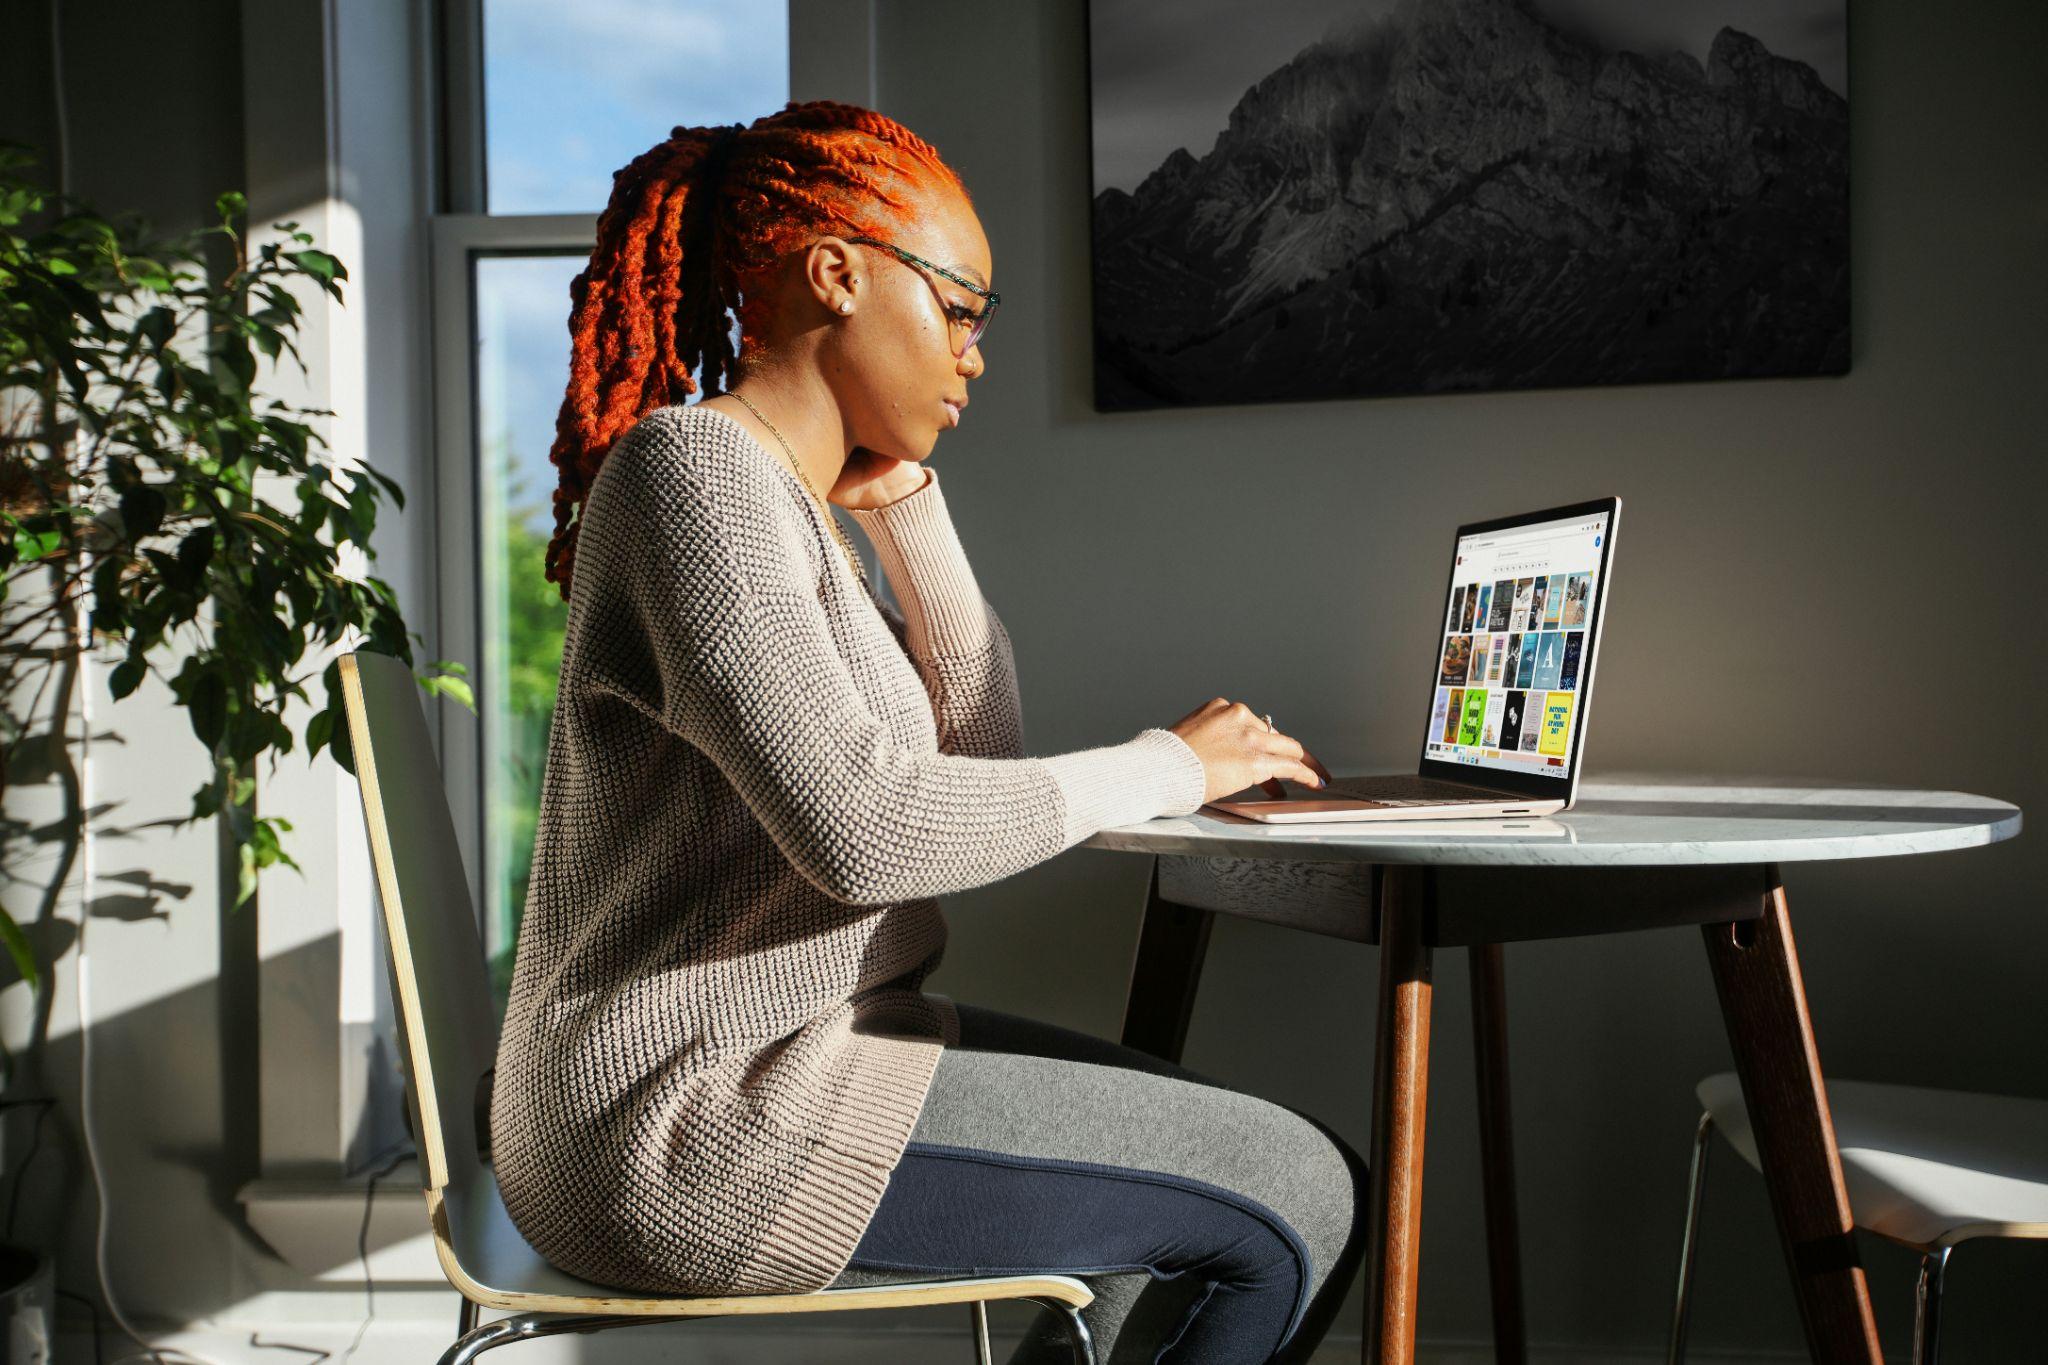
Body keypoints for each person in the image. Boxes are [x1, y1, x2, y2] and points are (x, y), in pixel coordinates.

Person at [489, 100, 1365, 1365]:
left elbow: (976, 773)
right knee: (1297, 1202)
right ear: (836, 274)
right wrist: (1168, 766)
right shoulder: (689, 475)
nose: (975, 355)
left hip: (797, 1055)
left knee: (1258, 1150)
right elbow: (867, 831)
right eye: (961, 309)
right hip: (682, 1114)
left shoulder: (790, 509)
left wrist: (905, 511)